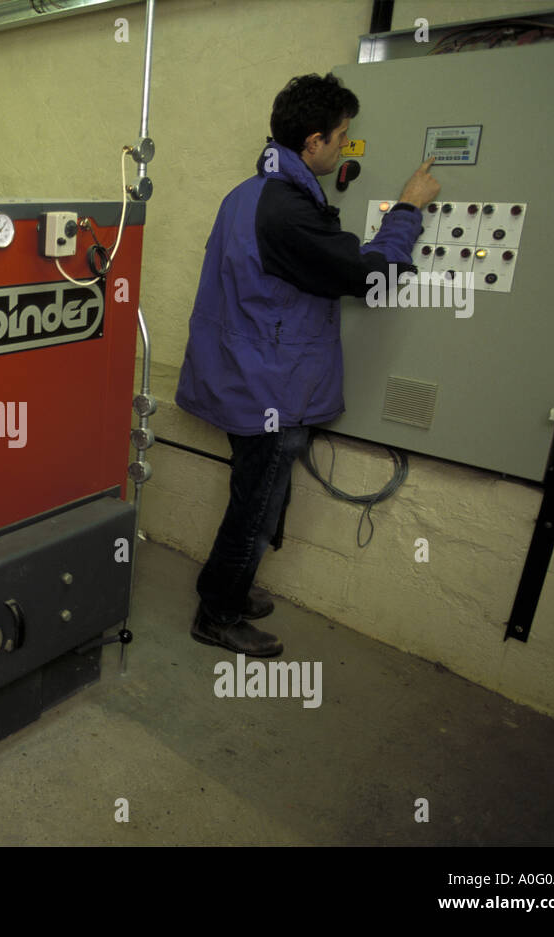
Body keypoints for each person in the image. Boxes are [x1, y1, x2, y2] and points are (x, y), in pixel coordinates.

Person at [175, 73, 441, 658]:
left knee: (257, 496)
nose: (349, 147)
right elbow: (373, 275)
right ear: (313, 142)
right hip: (269, 388)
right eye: (344, 137)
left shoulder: (251, 193)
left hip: (244, 376)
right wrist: (407, 210)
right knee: (255, 505)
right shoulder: (287, 212)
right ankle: (217, 612)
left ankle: (231, 593)